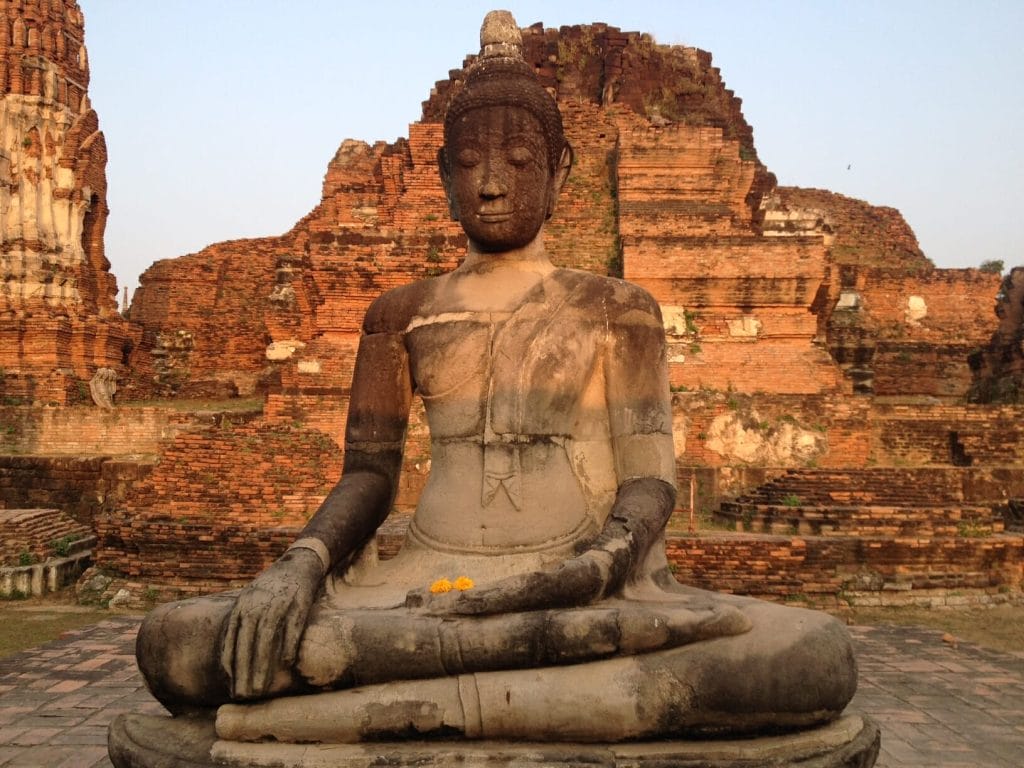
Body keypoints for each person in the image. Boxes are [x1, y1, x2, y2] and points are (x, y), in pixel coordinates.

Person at [135, 12, 856, 744]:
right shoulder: (400, 314)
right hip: (421, 583)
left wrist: (603, 561)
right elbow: (368, 475)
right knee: (176, 645)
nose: (490, 184)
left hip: (580, 583)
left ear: (561, 171)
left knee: (812, 657)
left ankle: (384, 705)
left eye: (517, 159)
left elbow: (650, 480)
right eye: (471, 162)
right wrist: (298, 568)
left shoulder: (617, 309)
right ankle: (546, 698)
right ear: (443, 175)